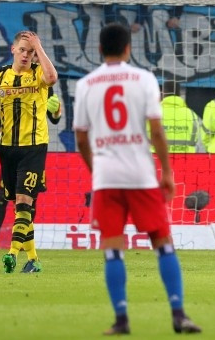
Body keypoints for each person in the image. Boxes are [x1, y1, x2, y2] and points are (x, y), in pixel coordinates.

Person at [73, 24, 201, 335]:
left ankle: (121, 319)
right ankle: (179, 314)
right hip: (141, 175)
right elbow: (156, 131)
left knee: (112, 248)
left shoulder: (86, 84)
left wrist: (97, 171)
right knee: (162, 243)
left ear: (100, 50)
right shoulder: (143, 79)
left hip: (107, 177)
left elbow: (80, 138)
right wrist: (167, 173)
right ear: (129, 48)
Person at [0, 31, 58, 274]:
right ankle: (34, 260)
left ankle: (11, 254)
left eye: (30, 52)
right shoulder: (0, 75)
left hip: (34, 147)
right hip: (7, 149)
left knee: (23, 203)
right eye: (23, 50)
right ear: (13, 49)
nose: (26, 55)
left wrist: (39, 46)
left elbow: (52, 78)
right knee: (18, 205)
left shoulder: (39, 73)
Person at [0, 93, 62, 252]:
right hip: (12, 150)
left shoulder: (44, 78)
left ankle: (23, 243)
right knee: (3, 195)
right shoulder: (7, 78)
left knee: (30, 197)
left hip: (34, 150)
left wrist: (56, 112)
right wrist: (2, 139)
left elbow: (54, 118)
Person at [160, 80, 204, 154]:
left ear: (163, 93)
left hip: (158, 162)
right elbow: (201, 145)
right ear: (179, 94)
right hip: (185, 163)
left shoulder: (153, 115)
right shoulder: (193, 116)